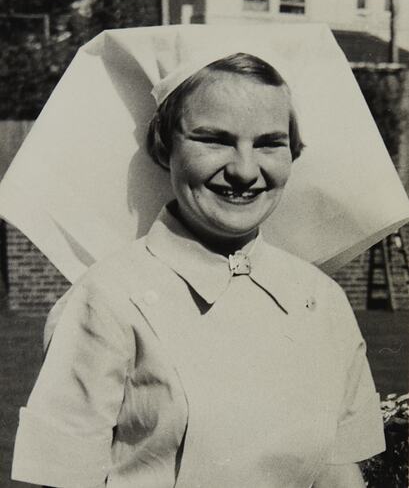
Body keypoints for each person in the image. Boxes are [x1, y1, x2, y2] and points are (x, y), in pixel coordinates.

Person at [10, 47, 387, 488]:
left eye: (268, 143)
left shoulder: (322, 302)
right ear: (164, 147)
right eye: (215, 139)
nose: (245, 170)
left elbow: (338, 473)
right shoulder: (108, 299)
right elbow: (64, 478)